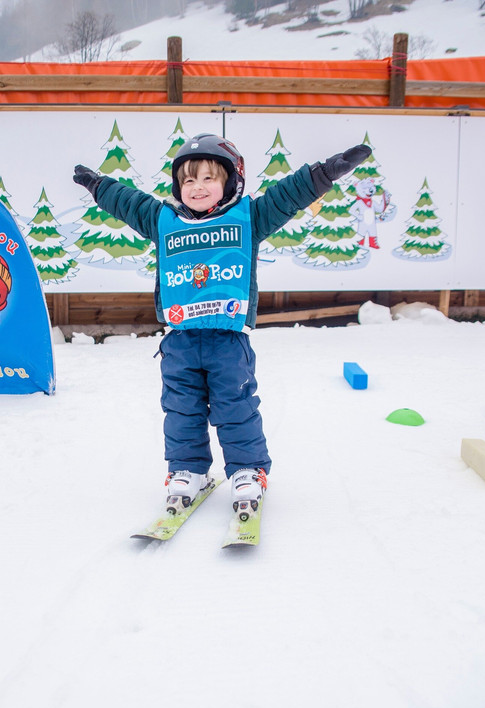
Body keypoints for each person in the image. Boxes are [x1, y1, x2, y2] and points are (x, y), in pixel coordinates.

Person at [73, 133, 370, 517]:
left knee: (236, 406)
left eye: (208, 178)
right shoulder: (163, 220)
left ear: (230, 181)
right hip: (180, 340)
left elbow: (288, 195)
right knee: (181, 408)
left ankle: (248, 470)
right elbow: (128, 203)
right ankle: (188, 470)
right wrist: (99, 185)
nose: (197, 187)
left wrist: (327, 172)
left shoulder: (249, 217)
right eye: (188, 179)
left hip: (228, 339)